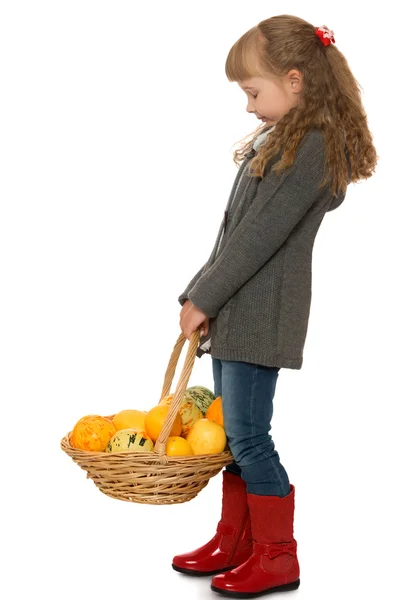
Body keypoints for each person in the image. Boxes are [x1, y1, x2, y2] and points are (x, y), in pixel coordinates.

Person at [172, 14, 378, 598]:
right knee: (234, 436)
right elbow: (233, 234)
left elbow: (260, 238)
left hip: (261, 314)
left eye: (252, 92)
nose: (248, 106)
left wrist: (208, 294)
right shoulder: (282, 141)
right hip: (237, 309)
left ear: (294, 80)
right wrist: (198, 291)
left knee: (249, 434)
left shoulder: (312, 149)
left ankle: (276, 555)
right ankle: (235, 541)